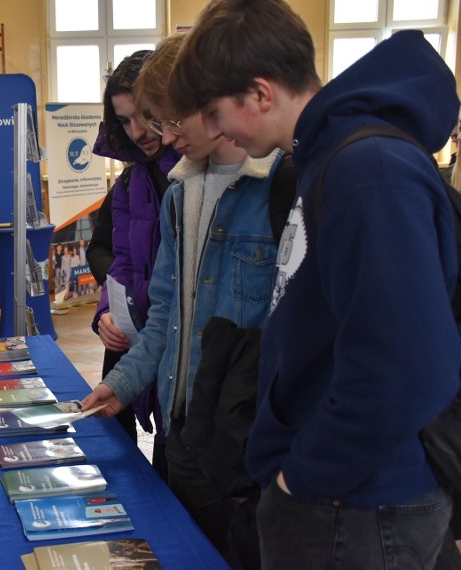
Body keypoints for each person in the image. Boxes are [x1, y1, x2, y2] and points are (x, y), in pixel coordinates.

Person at [169, 1, 461, 567]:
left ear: (260, 93)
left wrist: (302, 478)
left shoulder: (368, 171)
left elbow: (407, 367)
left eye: (213, 110)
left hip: (357, 508)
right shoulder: (324, 160)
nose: (211, 131)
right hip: (337, 499)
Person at [82, 31, 290, 566]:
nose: (163, 137)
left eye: (171, 121)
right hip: (182, 437)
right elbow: (165, 319)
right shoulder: (179, 191)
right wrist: (120, 384)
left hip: (243, 447)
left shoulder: (279, 186)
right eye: (155, 124)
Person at [88, 49, 181, 470]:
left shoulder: (196, 172)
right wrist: (108, 311)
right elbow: (118, 258)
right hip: (145, 346)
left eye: (143, 115)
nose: (137, 131)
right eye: (124, 120)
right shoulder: (130, 182)